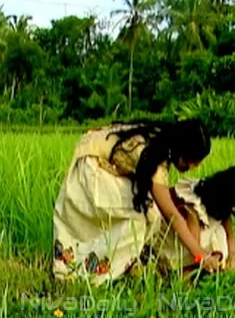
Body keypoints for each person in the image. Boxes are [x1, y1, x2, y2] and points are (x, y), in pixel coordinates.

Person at [52, 119, 215, 284]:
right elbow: (172, 215)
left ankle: (132, 261)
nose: (194, 166)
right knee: (138, 219)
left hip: (106, 164)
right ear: (181, 149)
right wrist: (201, 255)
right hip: (91, 169)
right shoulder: (153, 156)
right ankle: (95, 270)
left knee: (150, 212)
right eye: (193, 159)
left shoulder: (161, 141)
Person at [152, 166, 235, 275]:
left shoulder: (224, 205)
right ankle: (186, 274)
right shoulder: (195, 205)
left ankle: (212, 267)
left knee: (220, 231)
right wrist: (205, 259)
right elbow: (193, 247)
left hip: (194, 244)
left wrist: (232, 259)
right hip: (177, 243)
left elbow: (229, 235)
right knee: (212, 236)